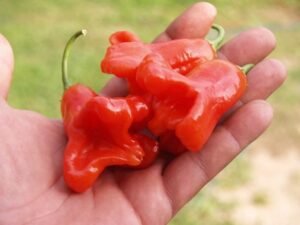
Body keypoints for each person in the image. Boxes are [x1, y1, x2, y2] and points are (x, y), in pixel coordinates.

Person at [0, 2, 286, 225]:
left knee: (183, 98)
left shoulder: (195, 75)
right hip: (147, 99)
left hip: (169, 92)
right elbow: (139, 99)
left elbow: (157, 87)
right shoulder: (99, 109)